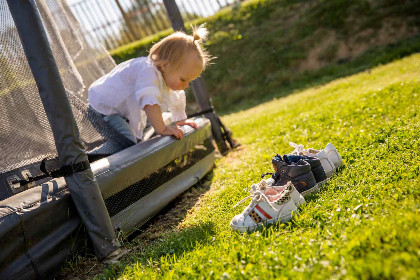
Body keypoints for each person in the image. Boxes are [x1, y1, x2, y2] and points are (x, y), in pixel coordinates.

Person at [88, 25, 212, 143]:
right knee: (127, 141)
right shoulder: (147, 72)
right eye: (183, 79)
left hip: (120, 111)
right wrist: (162, 129)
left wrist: (180, 121)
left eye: (189, 81)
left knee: (137, 134)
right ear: (165, 65)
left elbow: (177, 99)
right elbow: (149, 103)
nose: (186, 86)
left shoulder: (165, 75)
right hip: (103, 109)